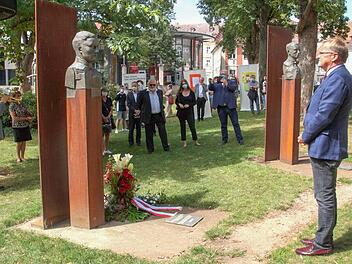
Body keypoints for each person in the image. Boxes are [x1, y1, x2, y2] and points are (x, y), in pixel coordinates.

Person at [296, 37, 352, 256]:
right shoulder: (336, 76)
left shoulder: (339, 78)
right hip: (324, 142)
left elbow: (325, 114)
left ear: (334, 56)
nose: (318, 56)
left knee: (325, 196)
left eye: (322, 53)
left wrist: (306, 135)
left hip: (326, 144)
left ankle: (323, 244)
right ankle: (322, 237)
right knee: (323, 194)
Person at [136, 79, 170, 154]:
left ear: (156, 85)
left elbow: (161, 103)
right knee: (149, 133)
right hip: (149, 116)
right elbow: (138, 104)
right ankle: (150, 149)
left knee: (163, 132)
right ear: (148, 85)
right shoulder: (143, 93)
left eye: (153, 85)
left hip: (159, 115)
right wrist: (138, 111)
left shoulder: (159, 92)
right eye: (150, 85)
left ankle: (166, 147)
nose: (152, 86)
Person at [209, 76, 244, 145]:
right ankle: (224, 139)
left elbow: (233, 88)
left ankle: (240, 139)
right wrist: (212, 82)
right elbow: (211, 88)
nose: (222, 79)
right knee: (223, 124)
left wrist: (226, 83)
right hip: (221, 107)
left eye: (223, 78)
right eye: (221, 78)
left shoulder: (232, 82)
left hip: (231, 107)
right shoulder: (217, 85)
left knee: (235, 123)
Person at [9, 91, 32, 162]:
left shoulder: (22, 104)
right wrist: (25, 118)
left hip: (25, 125)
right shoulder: (12, 105)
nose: (19, 97)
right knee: (19, 142)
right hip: (17, 126)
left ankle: (22, 156)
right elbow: (14, 118)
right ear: (14, 97)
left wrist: (29, 115)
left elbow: (26, 112)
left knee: (24, 141)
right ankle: (18, 157)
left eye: (20, 95)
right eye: (17, 96)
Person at [175, 80, 200, 147]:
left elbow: (194, 102)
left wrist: (189, 105)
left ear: (187, 84)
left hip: (189, 111)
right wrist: (179, 104)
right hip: (181, 112)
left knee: (192, 126)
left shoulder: (191, 92)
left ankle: (195, 140)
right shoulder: (179, 93)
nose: (184, 85)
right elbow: (176, 101)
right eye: (182, 84)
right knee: (182, 127)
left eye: (185, 84)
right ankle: (184, 141)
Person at [127, 82, 141, 146]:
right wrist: (134, 110)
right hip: (132, 114)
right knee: (131, 128)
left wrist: (139, 110)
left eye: (135, 86)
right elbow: (129, 104)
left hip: (139, 113)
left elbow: (142, 103)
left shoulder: (140, 94)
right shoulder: (129, 94)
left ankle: (138, 141)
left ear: (137, 87)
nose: (134, 87)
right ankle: (131, 141)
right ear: (131, 87)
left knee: (138, 128)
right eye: (133, 86)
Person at [102, 88, 113, 155]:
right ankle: (102, 149)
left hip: (108, 119)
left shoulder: (109, 99)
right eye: (103, 92)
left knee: (107, 134)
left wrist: (108, 116)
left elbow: (111, 108)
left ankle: (106, 149)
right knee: (102, 135)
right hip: (101, 119)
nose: (104, 93)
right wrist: (103, 117)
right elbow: (98, 109)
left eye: (105, 92)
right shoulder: (99, 99)